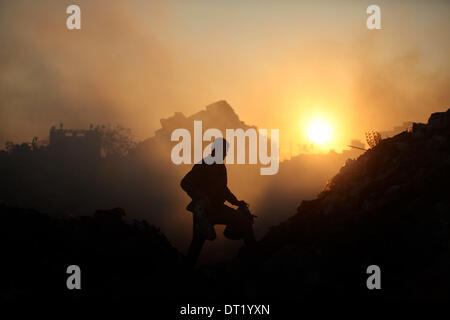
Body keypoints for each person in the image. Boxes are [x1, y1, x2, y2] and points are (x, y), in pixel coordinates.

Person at [181, 138, 256, 267]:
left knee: (244, 220)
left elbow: (223, 189)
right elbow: (185, 183)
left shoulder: (220, 166)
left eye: (226, 151)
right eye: (224, 151)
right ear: (215, 150)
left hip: (218, 209)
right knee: (196, 246)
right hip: (203, 212)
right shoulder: (204, 164)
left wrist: (236, 202)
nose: (226, 154)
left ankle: (254, 256)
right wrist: (201, 197)